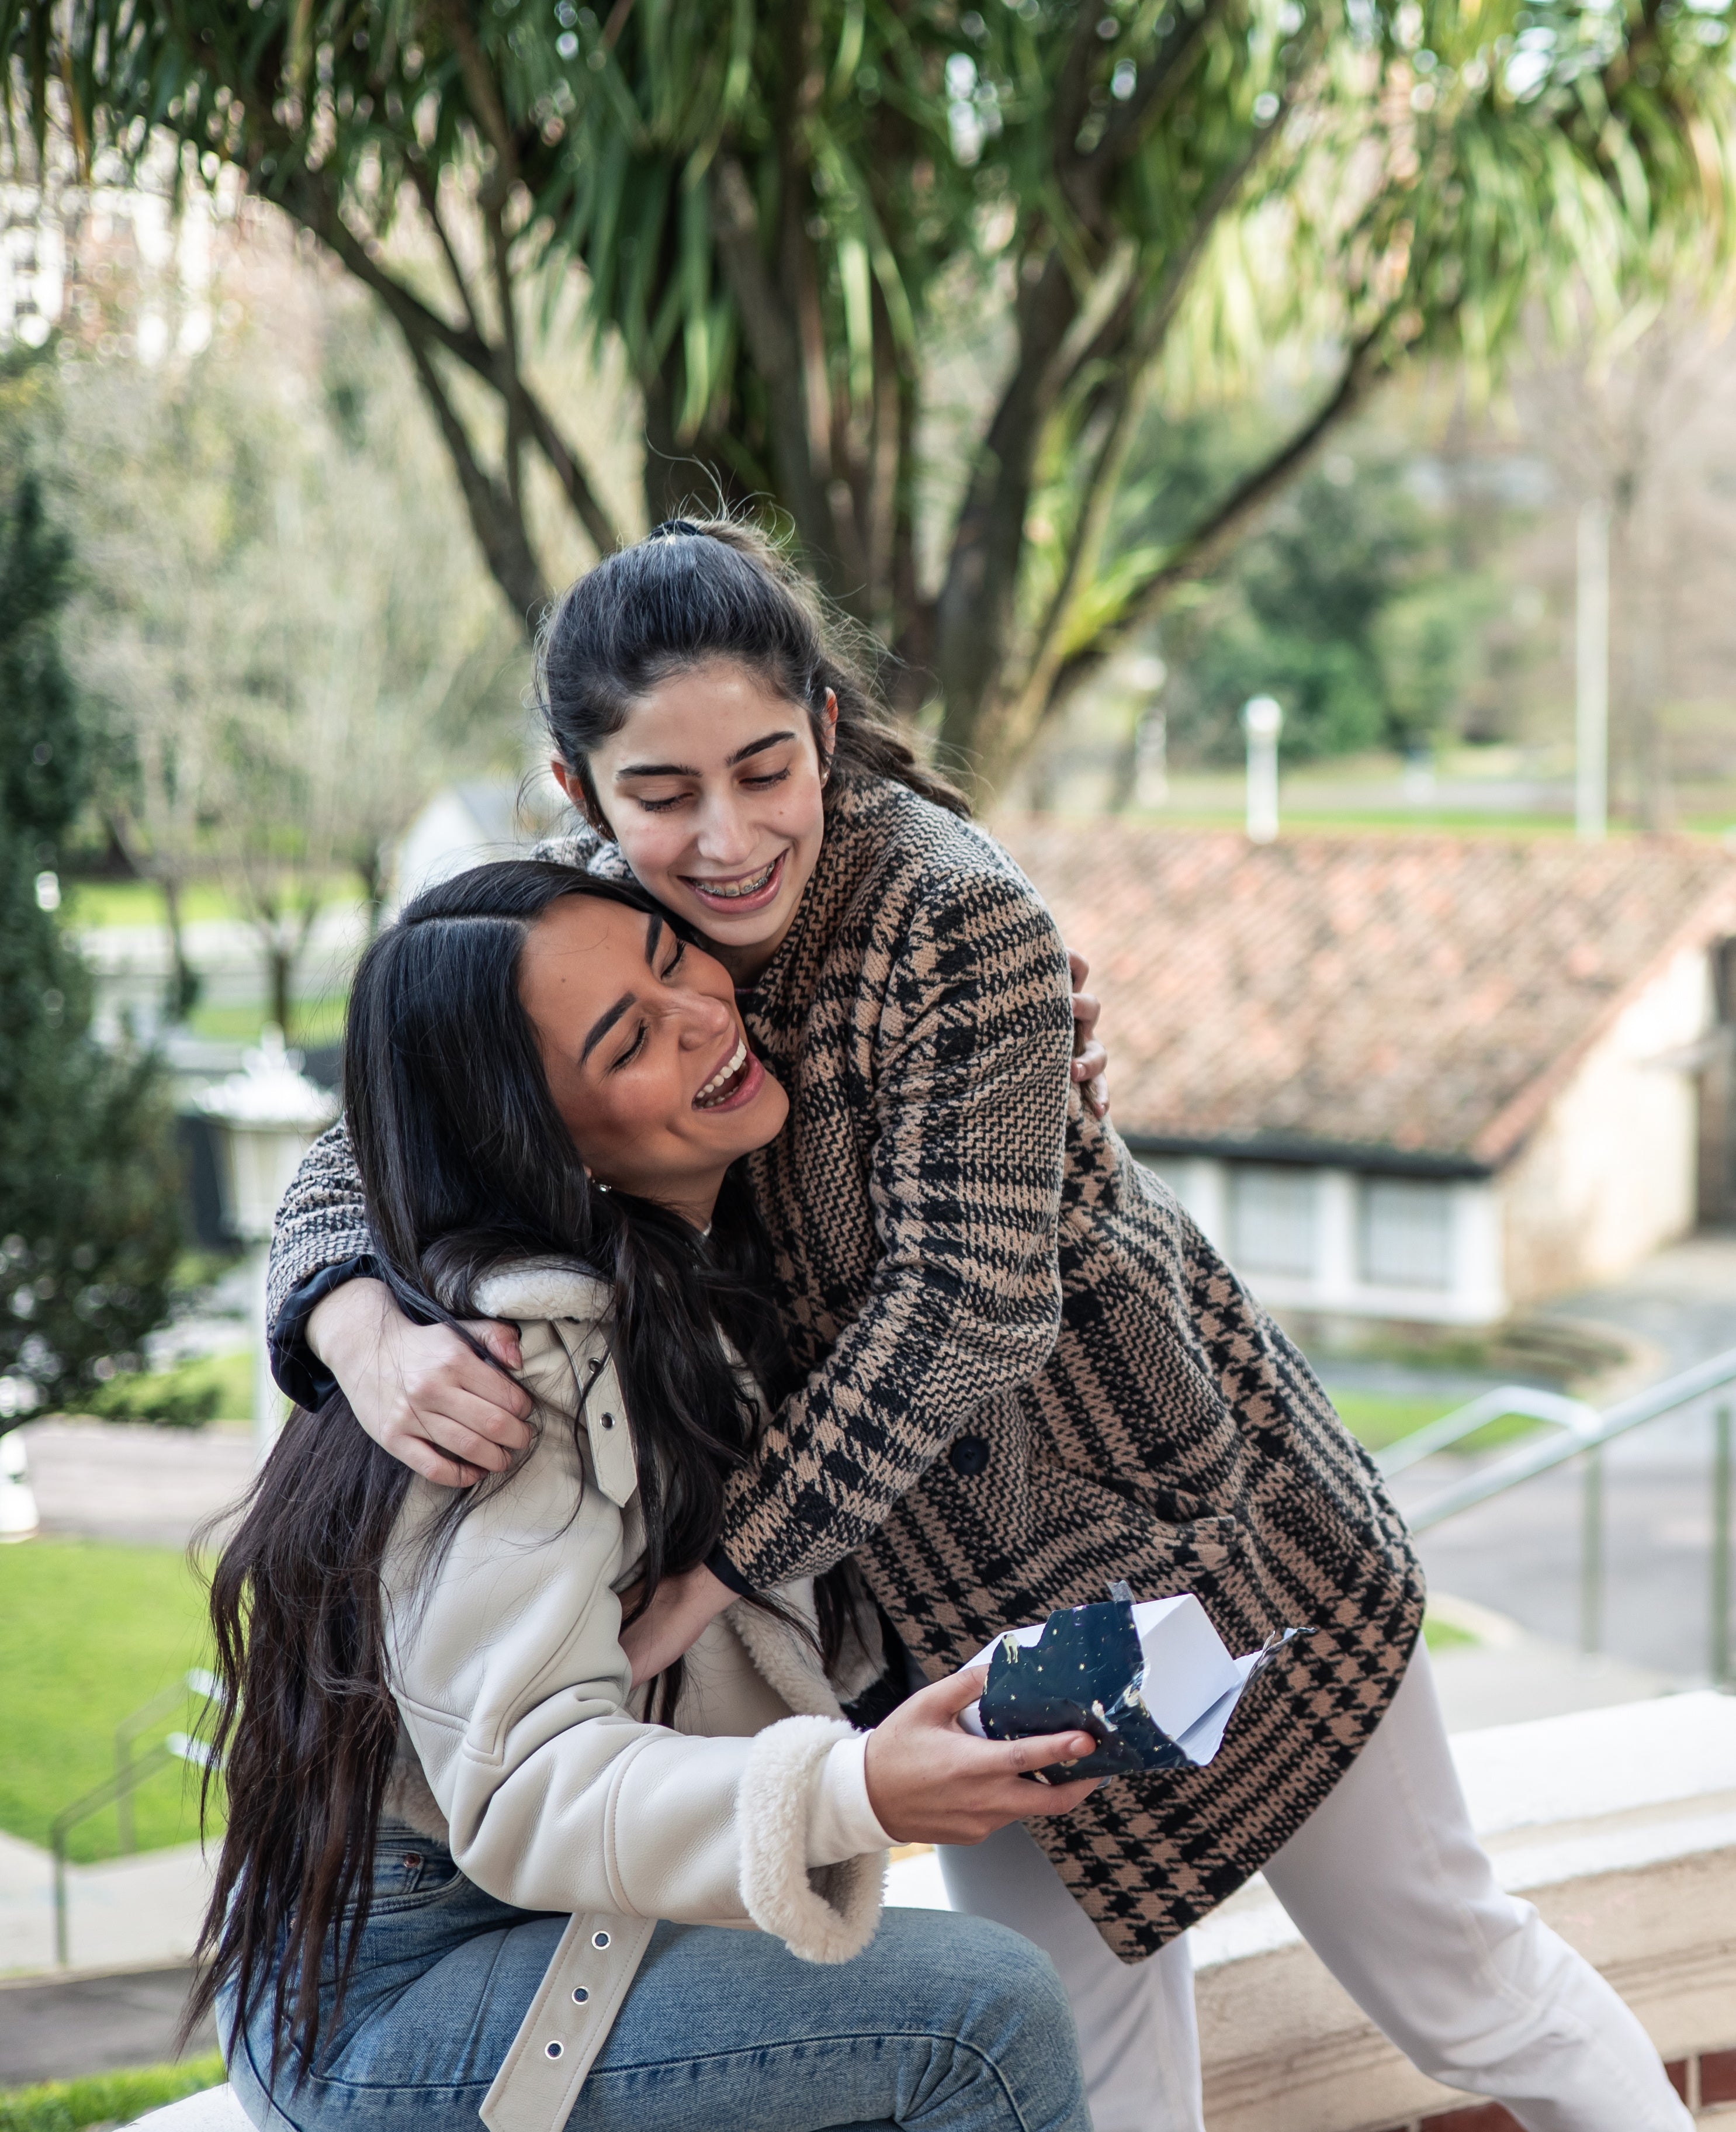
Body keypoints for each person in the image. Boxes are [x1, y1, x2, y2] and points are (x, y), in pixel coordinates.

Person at [266, 522, 1689, 2132]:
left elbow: (974, 1296)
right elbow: (382, 1129)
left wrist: (728, 1563)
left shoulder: (953, 915)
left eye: (761, 767)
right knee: (1080, 2061)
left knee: (1457, 1978)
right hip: (960, 1620)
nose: (724, 838)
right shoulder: (588, 925)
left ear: (818, 719)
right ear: (580, 785)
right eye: (661, 795)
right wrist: (351, 1321)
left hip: (1210, 1541)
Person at [189, 861, 1103, 2132]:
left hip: (568, 1920)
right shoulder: (509, 1372)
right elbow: (528, 1788)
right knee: (982, 2015)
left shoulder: (709, 1248)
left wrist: (1004, 1098)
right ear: (538, 1140)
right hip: (398, 1985)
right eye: (628, 1041)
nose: (702, 1018)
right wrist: (857, 1791)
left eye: (673, 961)